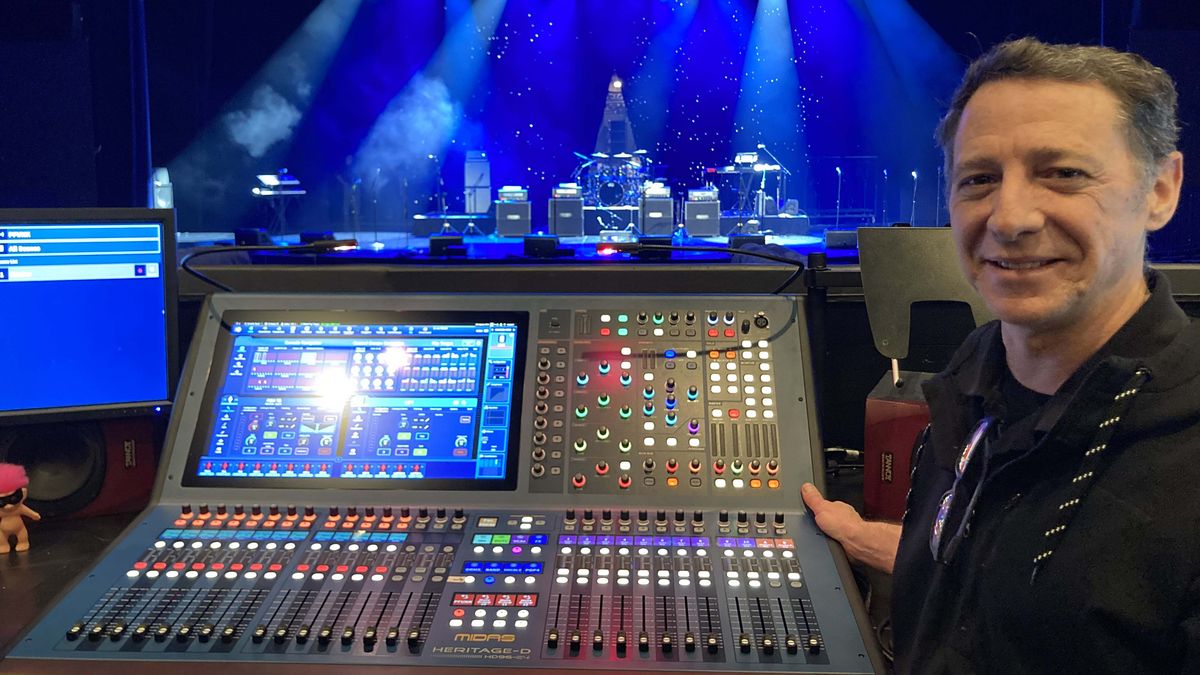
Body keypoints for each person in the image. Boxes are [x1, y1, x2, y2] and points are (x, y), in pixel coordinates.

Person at [802, 37, 1194, 673]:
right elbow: (1010, 570)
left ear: (1161, 190)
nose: (1009, 217)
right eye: (979, 179)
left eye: (1063, 173)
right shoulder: (974, 375)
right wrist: (869, 542)